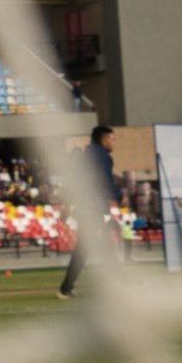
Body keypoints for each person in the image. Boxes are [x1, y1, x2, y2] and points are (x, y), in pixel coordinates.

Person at [59, 126, 116, 299]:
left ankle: (67, 287)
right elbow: (105, 181)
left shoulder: (84, 156)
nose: (113, 142)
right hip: (94, 208)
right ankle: (66, 288)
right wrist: (117, 195)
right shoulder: (103, 157)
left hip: (85, 207)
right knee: (89, 247)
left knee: (90, 246)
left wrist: (67, 207)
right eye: (112, 139)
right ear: (103, 139)